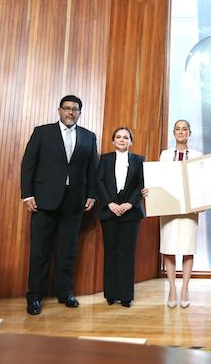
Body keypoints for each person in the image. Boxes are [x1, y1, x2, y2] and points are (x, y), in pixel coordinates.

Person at [21, 95, 98, 316]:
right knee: (40, 252)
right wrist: (27, 195)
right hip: (44, 201)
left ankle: (66, 293)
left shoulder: (88, 137)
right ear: (59, 110)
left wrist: (91, 194)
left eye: (75, 109)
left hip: (74, 203)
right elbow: (28, 164)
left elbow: (92, 169)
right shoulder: (42, 132)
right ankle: (34, 296)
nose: (70, 112)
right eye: (67, 108)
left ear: (79, 113)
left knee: (68, 252)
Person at [96, 127, 145, 308]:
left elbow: (142, 183)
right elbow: (99, 181)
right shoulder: (104, 159)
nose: (122, 140)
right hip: (109, 212)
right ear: (113, 140)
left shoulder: (140, 160)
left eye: (126, 137)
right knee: (111, 253)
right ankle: (110, 293)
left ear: (131, 141)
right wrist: (110, 203)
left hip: (131, 213)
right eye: (118, 137)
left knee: (127, 254)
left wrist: (129, 204)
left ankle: (125, 296)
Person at [158, 120, 202, 308]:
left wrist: (203, 202)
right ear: (173, 132)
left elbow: (203, 181)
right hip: (168, 207)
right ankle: (172, 289)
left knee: (187, 248)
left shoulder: (198, 155)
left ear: (189, 133)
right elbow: (158, 178)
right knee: (168, 247)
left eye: (185, 129)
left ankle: (184, 288)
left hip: (190, 209)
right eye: (178, 129)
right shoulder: (165, 155)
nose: (181, 132)